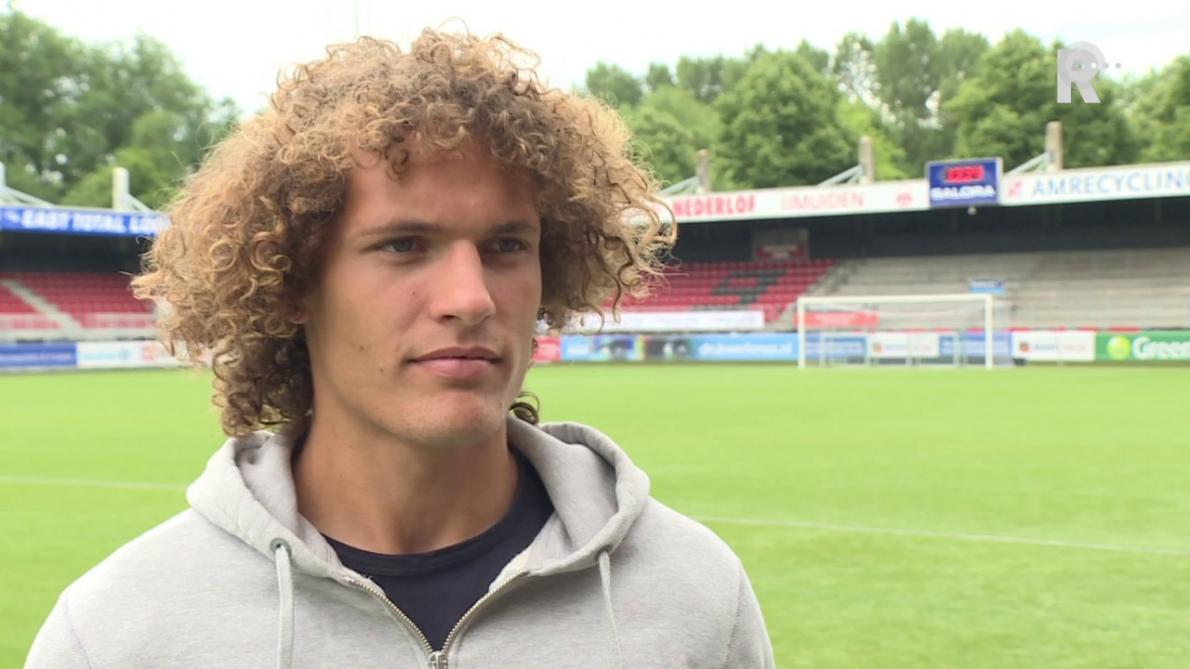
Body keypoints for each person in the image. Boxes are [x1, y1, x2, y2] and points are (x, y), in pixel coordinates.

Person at [25, 29, 774, 669]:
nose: (471, 297)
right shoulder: (120, 632)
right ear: (292, 281)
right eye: (404, 244)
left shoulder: (692, 593)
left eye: (507, 245)